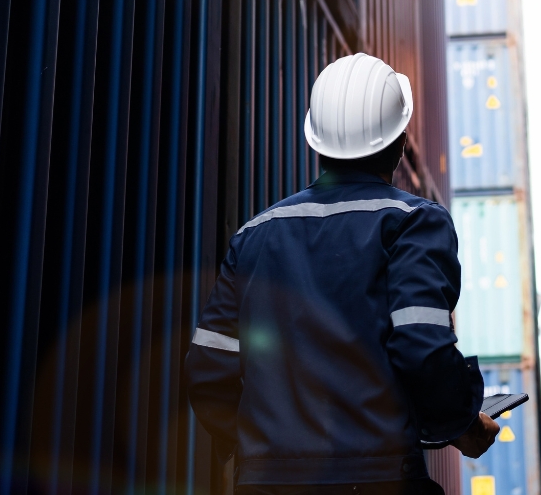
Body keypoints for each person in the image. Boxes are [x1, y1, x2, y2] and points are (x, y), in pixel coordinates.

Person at [185, 53, 500, 495]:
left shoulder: (254, 235)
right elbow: (421, 347)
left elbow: (206, 368)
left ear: (316, 142)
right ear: (402, 140)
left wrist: (262, 453)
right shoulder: (414, 222)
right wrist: (463, 424)